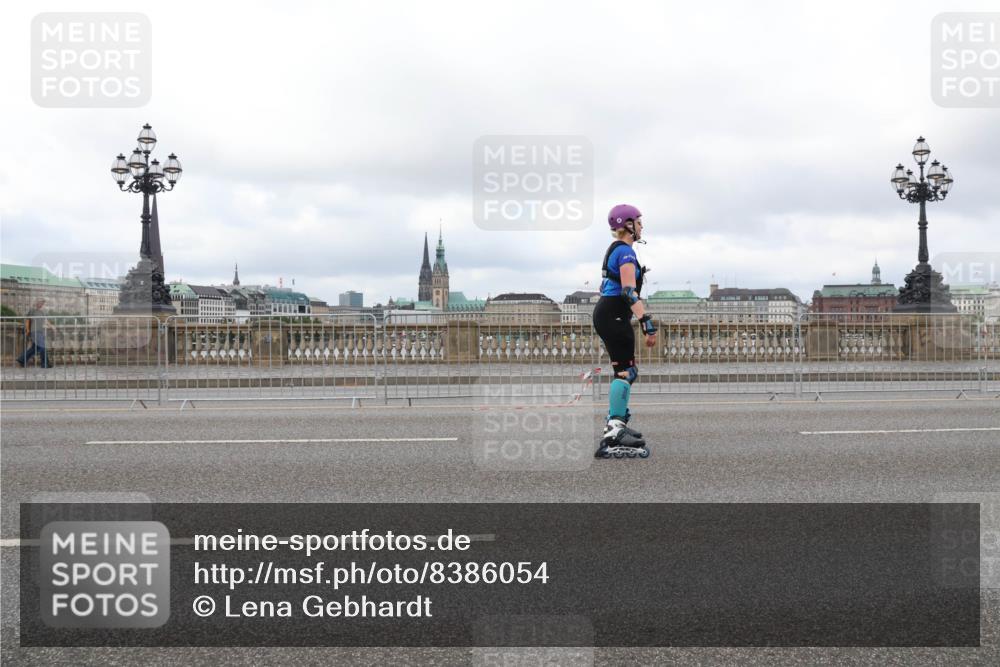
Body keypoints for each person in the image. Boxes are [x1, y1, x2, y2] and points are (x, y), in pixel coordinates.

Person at [591, 204, 656, 458]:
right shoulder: (626, 252)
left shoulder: (615, 250)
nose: (641, 226)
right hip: (614, 314)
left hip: (610, 313)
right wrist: (646, 323)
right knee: (626, 371)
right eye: (639, 222)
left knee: (625, 370)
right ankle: (614, 431)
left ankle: (616, 425)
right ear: (627, 224)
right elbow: (629, 292)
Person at [16, 299, 52, 368]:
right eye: (40, 303)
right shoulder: (32, 310)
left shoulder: (42, 312)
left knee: (34, 348)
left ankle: (21, 360)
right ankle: (45, 364)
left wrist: (52, 326)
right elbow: (27, 319)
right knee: (42, 347)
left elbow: (45, 320)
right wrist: (27, 330)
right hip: (34, 331)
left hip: (40, 331)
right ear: (36, 302)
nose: (41, 304)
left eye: (42, 303)